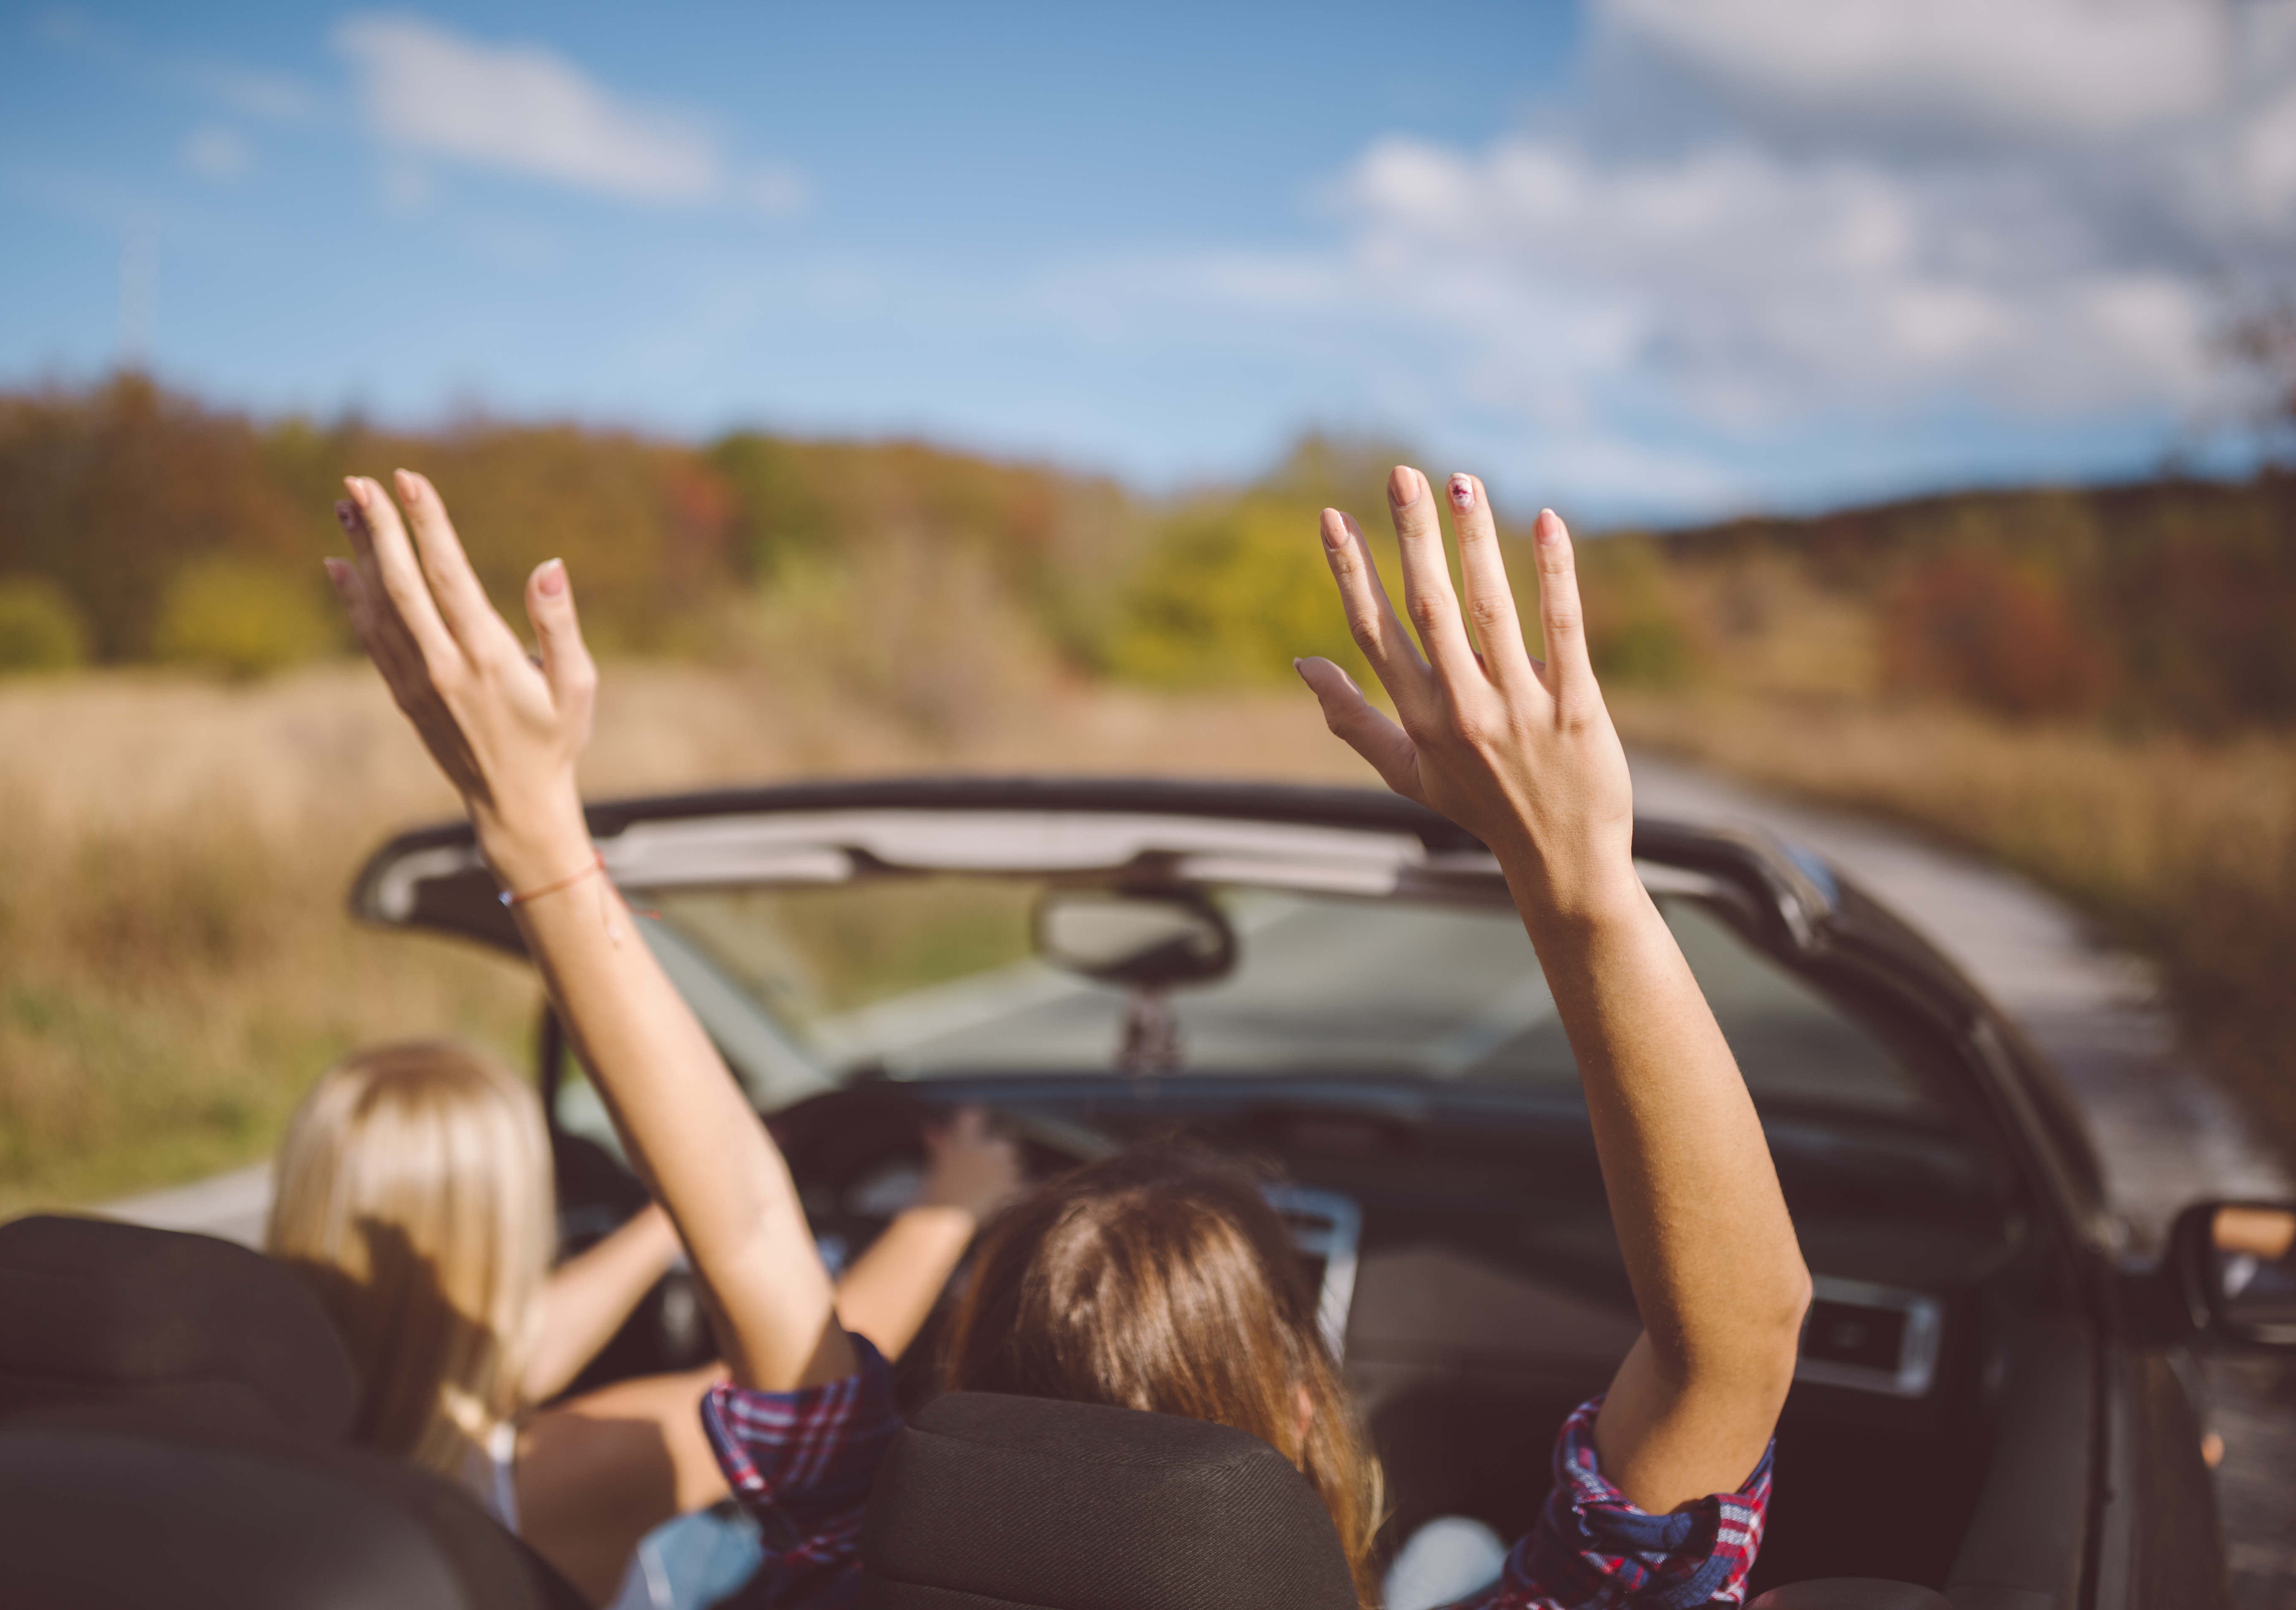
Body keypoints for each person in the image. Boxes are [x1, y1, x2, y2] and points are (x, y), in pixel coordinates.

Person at [324, 461, 1813, 1609]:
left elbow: (758, 1240)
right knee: (1447, 1559)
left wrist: (535, 829)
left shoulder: (840, 1551)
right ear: (1305, 1408)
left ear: (953, 1399)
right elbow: (1732, 1349)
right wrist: (1581, 884)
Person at [265, 1039, 1022, 1607]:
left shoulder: (269, 1425)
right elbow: (807, 1381)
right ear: (506, 1238)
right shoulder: (574, 1467)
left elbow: (513, 1346)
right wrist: (950, 1207)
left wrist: (673, 1214)